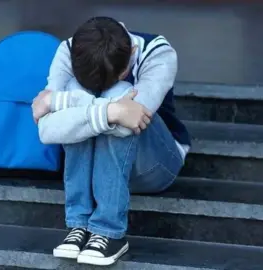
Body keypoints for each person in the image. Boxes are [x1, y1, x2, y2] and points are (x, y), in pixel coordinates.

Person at [31, 16, 191, 266]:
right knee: (91, 101)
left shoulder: (157, 52)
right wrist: (111, 111)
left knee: (117, 97)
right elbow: (47, 130)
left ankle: (108, 231)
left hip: (156, 164)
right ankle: (80, 225)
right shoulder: (71, 50)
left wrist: (58, 102)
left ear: (132, 55)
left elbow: (133, 119)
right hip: (98, 167)